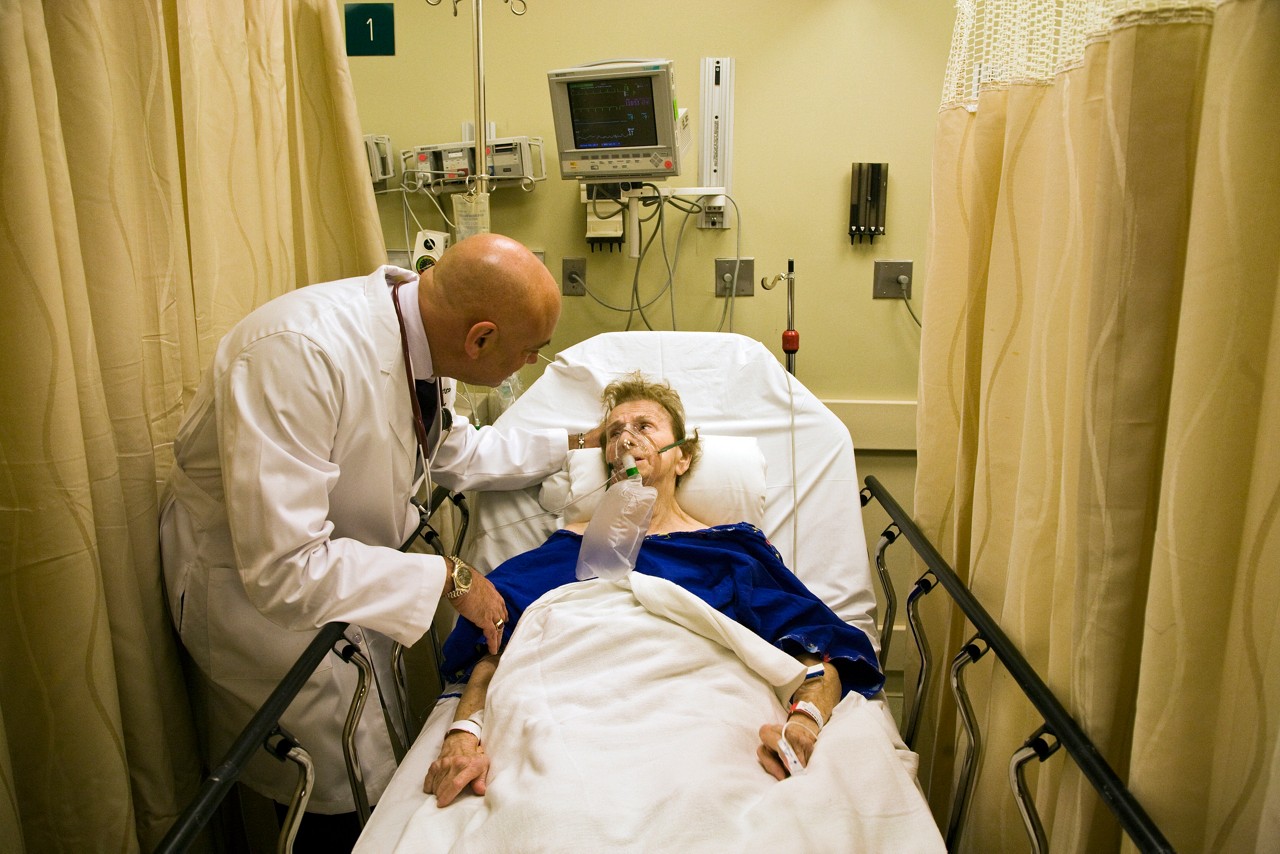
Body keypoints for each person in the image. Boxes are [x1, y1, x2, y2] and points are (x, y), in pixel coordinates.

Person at [159, 233, 599, 847]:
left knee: (373, 766)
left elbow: (455, 450)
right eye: (529, 352)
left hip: (344, 574)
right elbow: (286, 566)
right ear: (480, 338)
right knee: (321, 787)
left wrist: (579, 444)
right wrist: (450, 576)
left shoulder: (422, 339)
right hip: (255, 602)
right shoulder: (297, 354)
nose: (529, 365)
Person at [422, 372, 883, 808]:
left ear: (682, 457)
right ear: (606, 458)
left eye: (646, 425)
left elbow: (817, 653)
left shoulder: (729, 552)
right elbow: (493, 650)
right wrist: (463, 734)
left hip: (700, 714)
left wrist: (804, 723)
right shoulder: (566, 550)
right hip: (571, 711)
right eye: (616, 430)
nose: (628, 437)